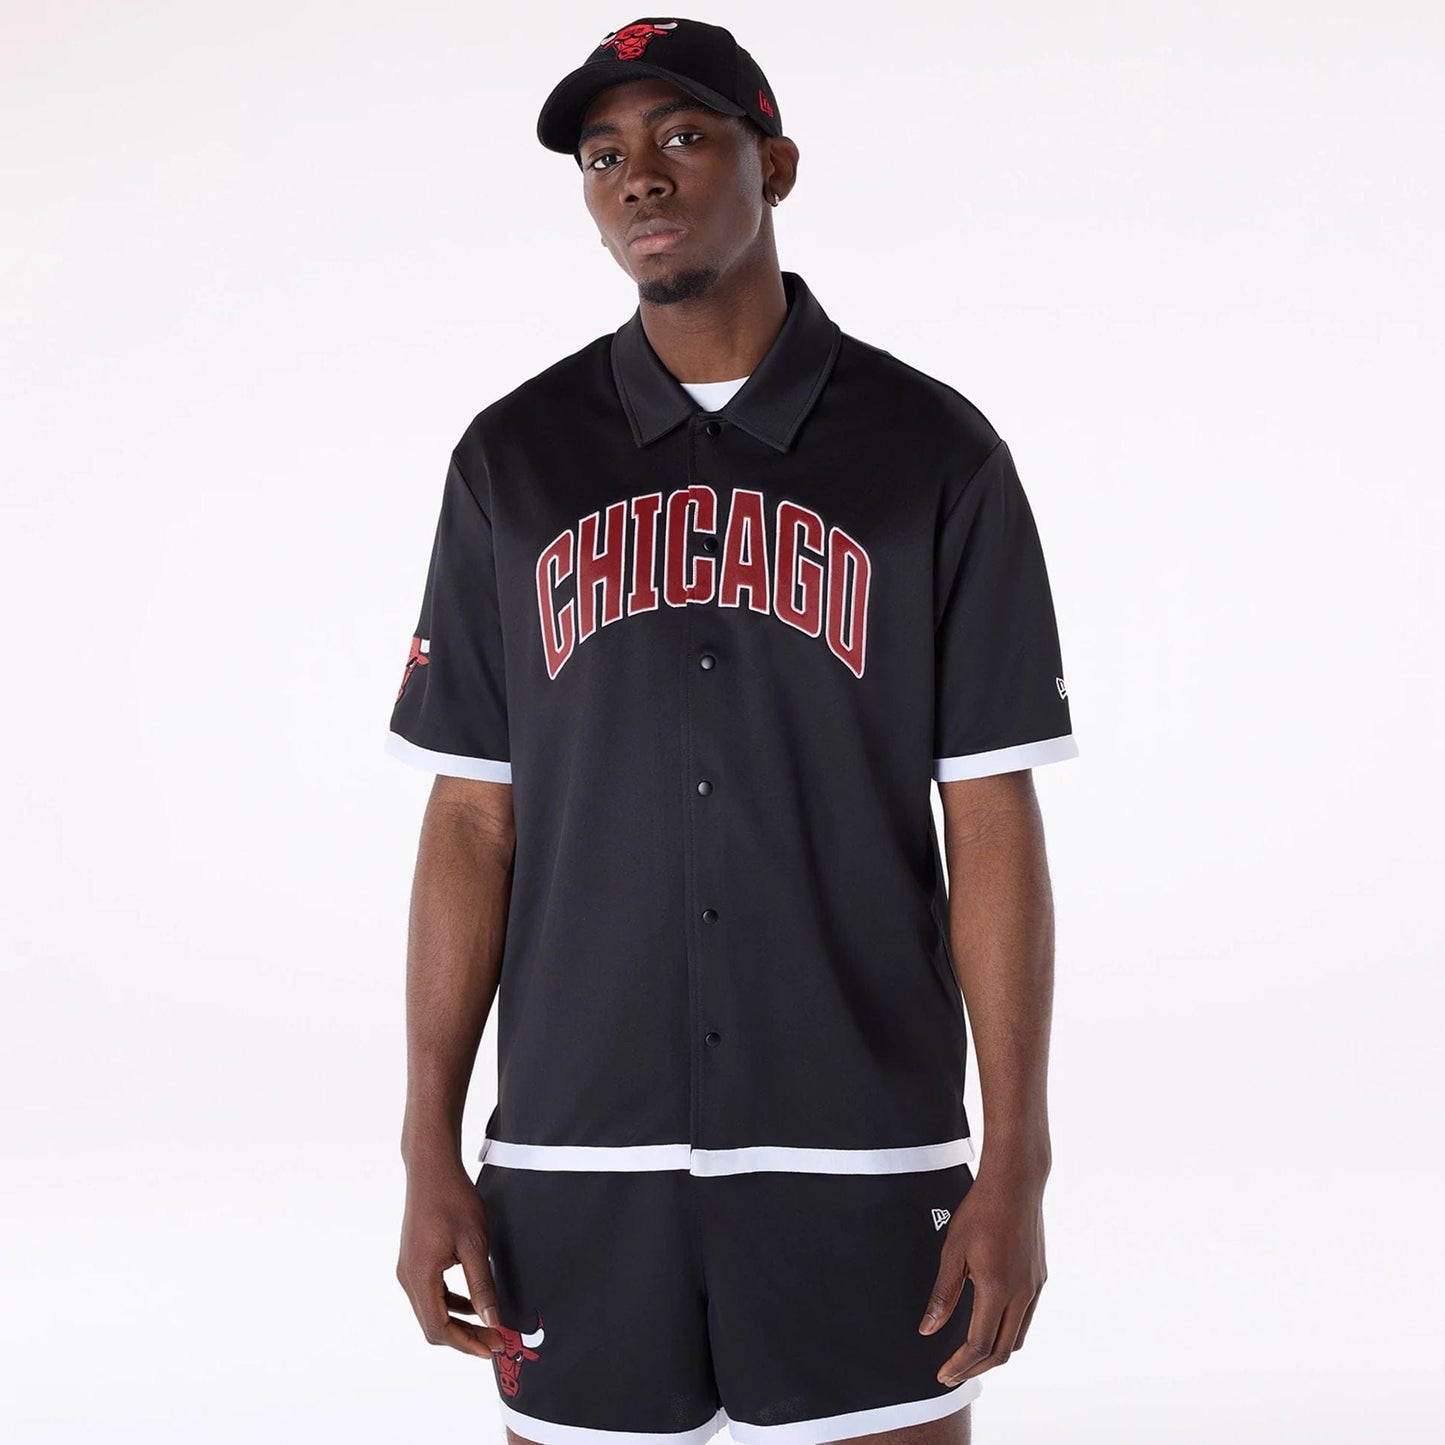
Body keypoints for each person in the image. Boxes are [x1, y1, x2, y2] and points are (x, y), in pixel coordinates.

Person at [388, 17, 1077, 1445]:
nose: (639, 176)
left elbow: (989, 816)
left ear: (778, 164)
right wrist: (425, 1143)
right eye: (603, 156)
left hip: (862, 1140)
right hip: (575, 1147)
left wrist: (1018, 1154)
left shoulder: (933, 452)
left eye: (684, 137)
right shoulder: (514, 458)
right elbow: (469, 817)